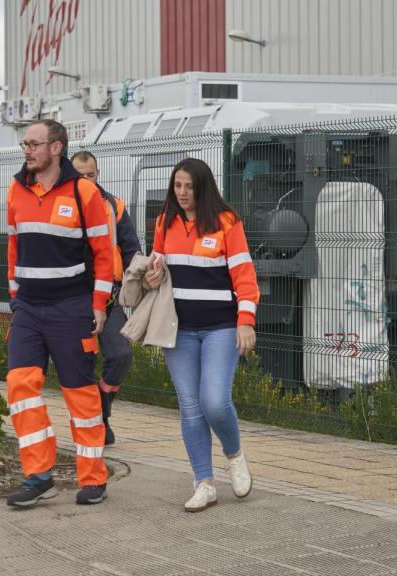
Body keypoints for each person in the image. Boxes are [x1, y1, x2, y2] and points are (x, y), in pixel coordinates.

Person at [4, 119, 119, 508]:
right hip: (28, 310)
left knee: (81, 396)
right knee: (20, 386)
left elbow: (105, 257)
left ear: (57, 148)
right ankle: (38, 475)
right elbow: (13, 248)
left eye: (34, 144)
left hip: (71, 309)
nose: (27, 150)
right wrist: (15, 296)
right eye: (25, 144)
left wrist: (99, 306)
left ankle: (93, 478)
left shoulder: (84, 192)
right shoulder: (16, 189)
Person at [143, 157, 259, 513]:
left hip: (221, 327)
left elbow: (243, 275)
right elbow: (158, 270)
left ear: (203, 187)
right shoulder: (165, 222)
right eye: (177, 186)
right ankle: (203, 482)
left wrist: (245, 320)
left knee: (214, 401)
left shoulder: (227, 222)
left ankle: (234, 455)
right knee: (190, 408)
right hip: (179, 329)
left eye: (189, 187)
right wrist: (152, 278)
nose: (182, 193)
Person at [71, 151, 143, 445]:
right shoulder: (63, 205)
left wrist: (142, 271)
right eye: (80, 175)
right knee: (81, 363)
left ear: (97, 174)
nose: (86, 180)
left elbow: (130, 248)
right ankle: (94, 425)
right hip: (75, 298)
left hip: (109, 297)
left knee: (121, 355)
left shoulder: (114, 205)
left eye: (90, 175)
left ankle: (102, 408)